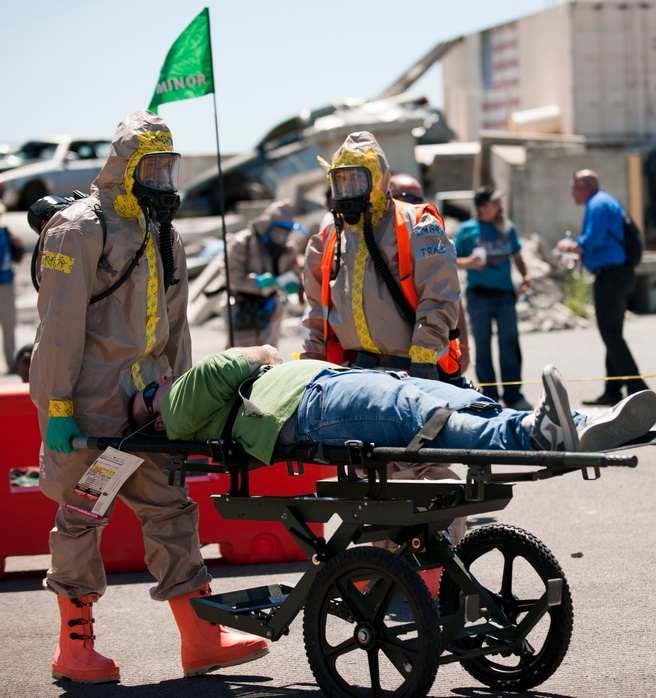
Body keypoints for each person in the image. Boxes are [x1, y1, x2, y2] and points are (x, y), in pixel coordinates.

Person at [29, 110, 268, 684]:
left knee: (171, 511)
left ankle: (200, 638)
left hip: (150, 407)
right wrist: (56, 408)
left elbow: (178, 329)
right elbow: (56, 329)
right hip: (91, 412)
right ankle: (74, 647)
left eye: (169, 166)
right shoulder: (79, 229)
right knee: (82, 517)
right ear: (126, 167)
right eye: (151, 166)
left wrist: (188, 400)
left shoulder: (166, 235)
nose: (163, 177)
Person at [302, 131, 467, 542]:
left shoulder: (419, 225)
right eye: (339, 182)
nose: (348, 191)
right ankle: (391, 577)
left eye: (357, 180)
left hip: (414, 376)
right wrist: (306, 380)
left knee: (426, 475)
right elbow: (316, 318)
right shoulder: (326, 242)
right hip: (356, 383)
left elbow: (440, 299)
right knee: (369, 485)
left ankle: (449, 573)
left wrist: (424, 364)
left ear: (379, 179)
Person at [128, 346, 656, 463]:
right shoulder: (173, 407)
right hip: (309, 405)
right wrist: (263, 352)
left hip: (323, 389)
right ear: (150, 411)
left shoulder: (176, 401)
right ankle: (533, 437)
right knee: (418, 413)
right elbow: (227, 366)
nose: (161, 381)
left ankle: (577, 424)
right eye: (147, 391)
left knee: (457, 399)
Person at [559, 169, 650, 405]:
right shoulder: (604, 201)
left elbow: (593, 240)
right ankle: (612, 389)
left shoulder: (598, 204)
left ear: (586, 186)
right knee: (613, 333)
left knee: (610, 333)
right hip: (618, 275)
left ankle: (636, 386)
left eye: (574, 188)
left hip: (612, 276)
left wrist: (570, 246)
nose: (571, 194)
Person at [454, 185, 532, 409]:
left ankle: (514, 395)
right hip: (479, 296)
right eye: (494, 202)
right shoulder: (467, 229)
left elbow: (517, 255)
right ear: (481, 207)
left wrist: (525, 275)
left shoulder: (508, 228)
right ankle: (489, 395)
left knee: (510, 343)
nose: (499, 206)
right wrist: (469, 262)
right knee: (483, 344)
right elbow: (452, 260)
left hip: (506, 295)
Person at [389, 173, 471, 376]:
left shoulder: (426, 231)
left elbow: (449, 296)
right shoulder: (376, 240)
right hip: (391, 362)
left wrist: (465, 348)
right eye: (408, 197)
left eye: (419, 199)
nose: (416, 204)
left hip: (429, 361)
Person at [225, 200, 305, 350]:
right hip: (242, 307)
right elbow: (231, 276)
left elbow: (294, 271)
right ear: (268, 225)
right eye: (279, 229)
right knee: (241, 360)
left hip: (272, 310)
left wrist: (293, 282)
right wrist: (256, 282)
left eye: (286, 231)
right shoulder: (243, 242)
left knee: (269, 358)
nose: (282, 235)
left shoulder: (288, 249)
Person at [0, 223, 23, 373]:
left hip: (6, 283)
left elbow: (17, 257)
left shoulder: (6, 232)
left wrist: (17, 245)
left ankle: (11, 361)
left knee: (9, 324)